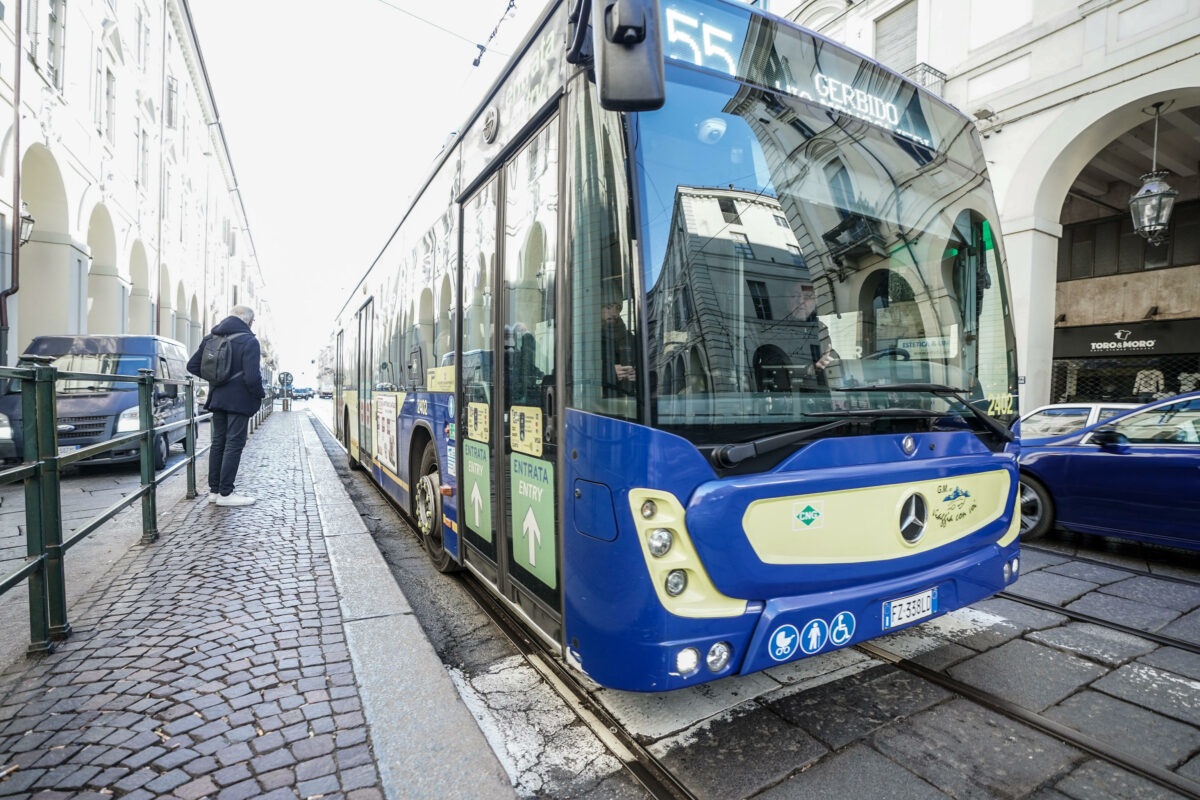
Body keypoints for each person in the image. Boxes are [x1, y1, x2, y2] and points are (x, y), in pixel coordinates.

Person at [187, 304, 265, 507]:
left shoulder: (211, 338)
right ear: (249, 321)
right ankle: (226, 493)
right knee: (234, 444)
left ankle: (214, 491)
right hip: (238, 401)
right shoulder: (249, 341)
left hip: (217, 398)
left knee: (218, 443)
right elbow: (252, 377)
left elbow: (192, 366)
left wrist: (217, 378)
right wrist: (260, 395)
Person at [601, 301, 636, 397]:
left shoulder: (630, 339)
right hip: (597, 404)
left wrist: (638, 374)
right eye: (608, 307)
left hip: (630, 401)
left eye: (617, 308)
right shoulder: (585, 338)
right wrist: (610, 373)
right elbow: (575, 373)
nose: (614, 313)